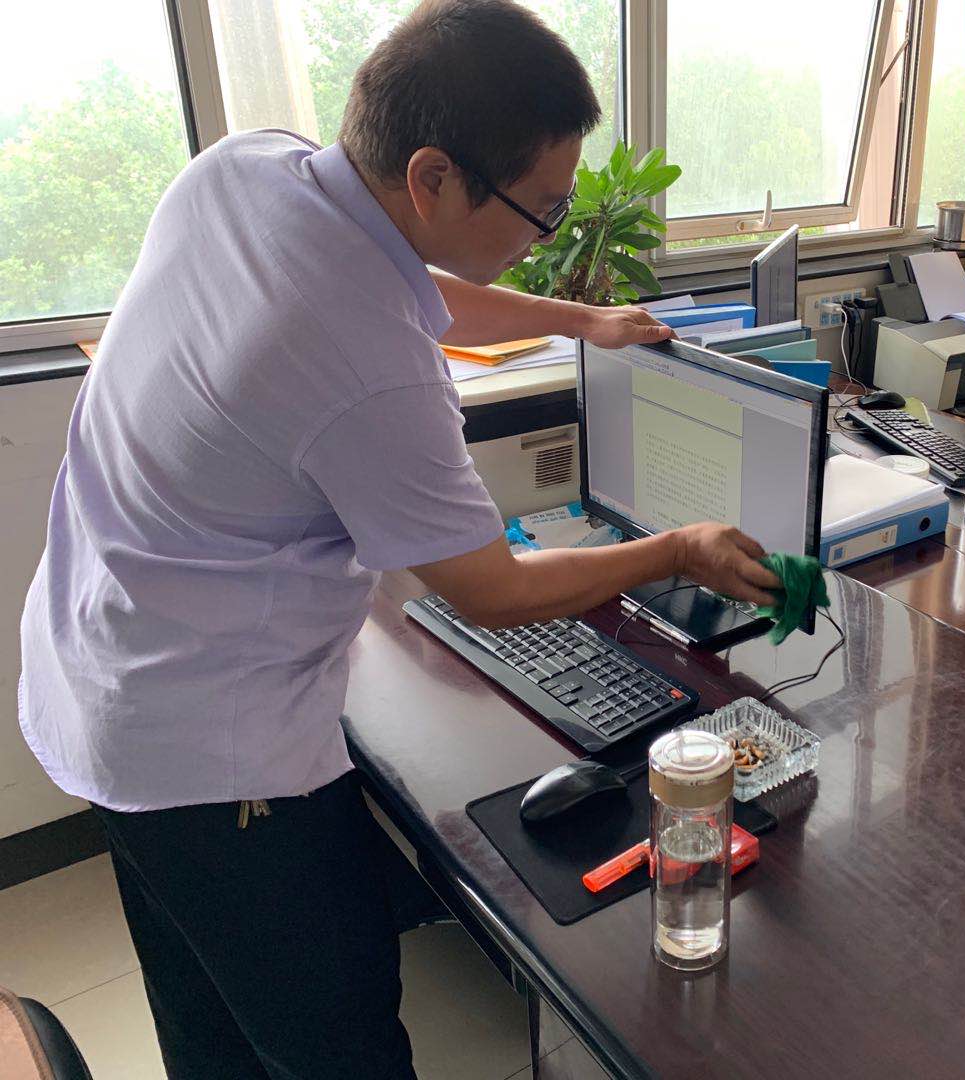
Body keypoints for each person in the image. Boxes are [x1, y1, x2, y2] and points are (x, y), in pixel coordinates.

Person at [17, 1, 779, 1076]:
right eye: (542, 210)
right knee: (334, 1039)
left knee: (206, 1011)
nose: (549, 233)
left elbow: (410, 288)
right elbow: (491, 590)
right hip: (211, 749)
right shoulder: (365, 358)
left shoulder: (244, 170)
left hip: (96, 662)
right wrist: (678, 549)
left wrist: (580, 320)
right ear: (432, 176)